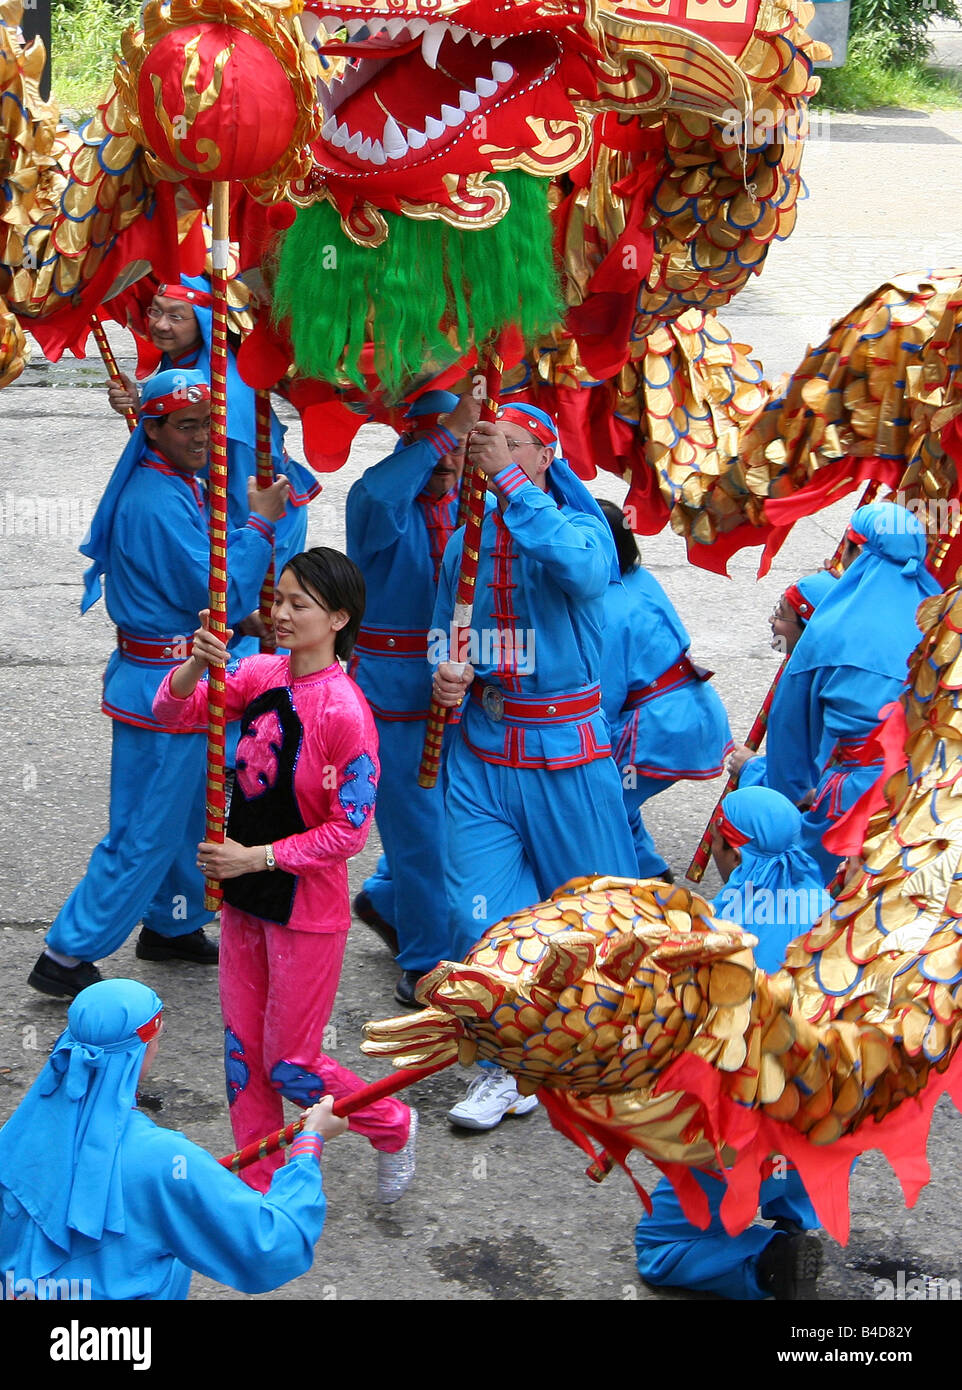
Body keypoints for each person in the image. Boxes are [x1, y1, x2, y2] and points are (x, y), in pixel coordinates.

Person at [152, 548, 417, 1199]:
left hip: (304, 909)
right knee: (244, 1055)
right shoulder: (263, 674)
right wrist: (197, 661)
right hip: (244, 901)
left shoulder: (346, 713)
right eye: (281, 600)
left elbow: (349, 831)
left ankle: (391, 1122)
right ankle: (261, 1183)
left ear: (338, 619)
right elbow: (174, 711)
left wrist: (257, 856)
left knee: (292, 1064)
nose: (283, 614)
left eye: (301, 604)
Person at [29, 370, 287, 999]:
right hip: (165, 688)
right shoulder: (154, 496)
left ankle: (174, 922)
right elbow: (209, 588)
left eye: (207, 425)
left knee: (192, 818)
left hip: (184, 673)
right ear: (154, 428)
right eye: (186, 426)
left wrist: (245, 616)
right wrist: (257, 528)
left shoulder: (178, 483)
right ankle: (67, 952)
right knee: (145, 829)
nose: (202, 437)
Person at [431, 403, 638, 1130]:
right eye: (489, 448)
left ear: (546, 457)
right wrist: (451, 676)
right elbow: (445, 640)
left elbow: (583, 576)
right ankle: (505, 1064)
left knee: (596, 917)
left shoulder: (580, 532)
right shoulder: (466, 540)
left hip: (569, 759)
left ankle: (611, 1048)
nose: (496, 459)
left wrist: (511, 484)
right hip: (483, 756)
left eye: (514, 447)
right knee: (478, 916)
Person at [0, 979, 348, 1300]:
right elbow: (268, 1245)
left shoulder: (14, 1136)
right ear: (145, 1052)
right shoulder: (164, 1159)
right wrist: (309, 1144)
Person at [633, 786, 829, 1300]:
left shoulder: (716, 936)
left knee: (661, 1247)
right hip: (828, 1113)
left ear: (733, 850)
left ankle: (765, 1263)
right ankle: (794, 1223)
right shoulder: (832, 913)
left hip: (743, 1122)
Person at [346, 389, 481, 1006]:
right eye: (437, 448)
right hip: (394, 699)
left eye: (460, 450)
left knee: (450, 824)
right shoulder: (381, 504)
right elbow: (375, 494)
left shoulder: (470, 506)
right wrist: (444, 435)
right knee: (425, 829)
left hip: (459, 692)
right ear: (410, 445)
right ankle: (427, 957)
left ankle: (387, 898)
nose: (450, 463)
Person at [107, 275, 320, 602]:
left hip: (258, 508)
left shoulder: (223, 395)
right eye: (155, 312)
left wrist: (244, 543)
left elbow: (242, 487)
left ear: (204, 320)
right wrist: (143, 407)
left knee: (244, 617)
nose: (161, 325)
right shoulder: (183, 359)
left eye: (176, 316)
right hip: (221, 501)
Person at [760, 501, 940, 882]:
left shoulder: (829, 629)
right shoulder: (940, 620)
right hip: (931, 794)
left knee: (814, 901)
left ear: (858, 552)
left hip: (853, 798)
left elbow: (789, 728)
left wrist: (791, 795)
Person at [598, 499, 732, 881]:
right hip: (691, 707)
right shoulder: (638, 576)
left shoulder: (607, 607)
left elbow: (603, 701)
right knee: (621, 796)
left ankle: (628, 890)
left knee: (598, 799)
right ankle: (651, 873)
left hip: (660, 727)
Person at [729, 567, 838, 793]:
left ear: (808, 626)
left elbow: (792, 783)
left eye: (780, 614)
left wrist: (751, 767)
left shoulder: (800, 681)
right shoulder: (838, 664)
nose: (771, 620)